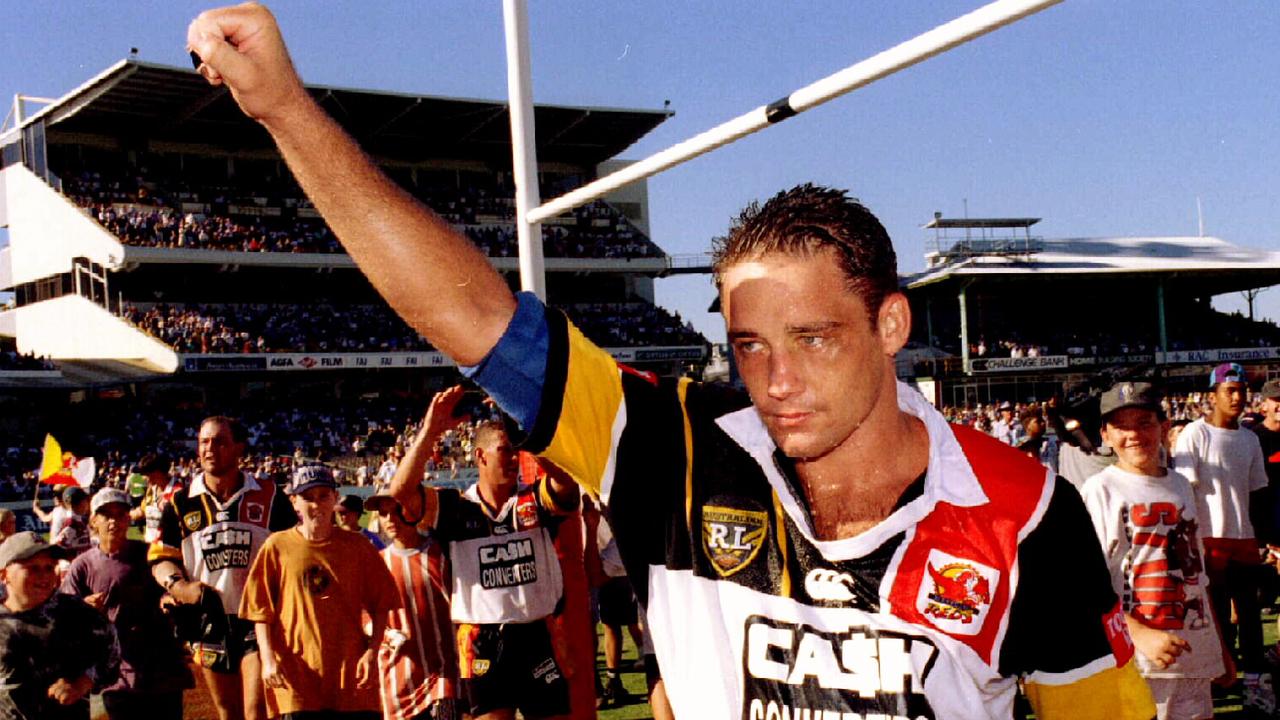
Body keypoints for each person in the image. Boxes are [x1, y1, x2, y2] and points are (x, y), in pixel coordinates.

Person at [186, 8, 1154, 718]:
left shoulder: (1025, 510)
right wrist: (282, 110)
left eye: (812, 337)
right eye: (747, 345)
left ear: (890, 323)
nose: (775, 380)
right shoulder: (671, 443)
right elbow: (467, 314)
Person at [388, 388, 577, 720]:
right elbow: (400, 492)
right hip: (482, 640)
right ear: (480, 456)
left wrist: (527, 437)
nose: (516, 459)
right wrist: (431, 430)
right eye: (506, 451)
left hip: (537, 634)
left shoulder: (532, 500)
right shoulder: (455, 507)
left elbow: (567, 488)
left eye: (517, 451)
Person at [1081, 383, 1225, 720]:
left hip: (1192, 653)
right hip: (1137, 660)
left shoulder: (1180, 486)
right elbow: (1086, 584)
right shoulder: (1100, 490)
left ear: (1164, 427)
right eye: (1121, 426)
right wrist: (1138, 633)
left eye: (1144, 422)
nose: (1134, 434)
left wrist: (1219, 650)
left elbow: (1197, 577)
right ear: (1105, 434)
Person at [148, 416, 297, 720]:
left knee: (256, 710)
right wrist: (178, 586)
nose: (209, 448)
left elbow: (295, 549)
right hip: (208, 619)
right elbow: (161, 558)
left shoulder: (269, 496)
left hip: (259, 618)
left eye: (219, 441)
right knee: (228, 712)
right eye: (204, 441)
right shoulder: (180, 503)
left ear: (239, 448)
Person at [241, 464, 400, 719]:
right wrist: (268, 659)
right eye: (307, 498)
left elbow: (381, 604)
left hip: (350, 679)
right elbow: (260, 611)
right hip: (296, 678)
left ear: (335, 499)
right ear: (294, 502)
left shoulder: (358, 547)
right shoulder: (277, 546)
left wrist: (372, 652)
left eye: (323, 496)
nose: (316, 505)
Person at [1172, 363, 1271, 711]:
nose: (1237, 397)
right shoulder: (1195, 435)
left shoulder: (1250, 438)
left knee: (1251, 620)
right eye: (1229, 390)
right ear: (1212, 396)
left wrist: (1265, 539)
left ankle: (1258, 690)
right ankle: (1218, 686)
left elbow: (1258, 492)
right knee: (1214, 623)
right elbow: (1183, 491)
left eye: (1242, 390)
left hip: (1243, 540)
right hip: (1207, 540)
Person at [60, 488, 194, 720]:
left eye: (120, 514)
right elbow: (64, 616)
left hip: (161, 668)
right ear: (93, 521)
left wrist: (169, 599)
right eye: (106, 515)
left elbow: (172, 588)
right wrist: (84, 608)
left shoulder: (150, 555)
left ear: (128, 519)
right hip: (117, 673)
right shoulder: (82, 566)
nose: (114, 521)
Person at [0, 531, 120, 720]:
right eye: (33, 568)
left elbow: (111, 651)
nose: (44, 576)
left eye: (49, 567)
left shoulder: (74, 612)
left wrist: (83, 683)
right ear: (4, 574)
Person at [365, 490, 459, 720]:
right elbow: (364, 617)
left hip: (441, 678)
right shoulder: (376, 564)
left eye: (397, 511)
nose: (390, 519)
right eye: (384, 514)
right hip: (396, 682)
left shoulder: (441, 556)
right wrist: (388, 636)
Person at [129, 452, 182, 544]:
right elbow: (142, 511)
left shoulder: (178, 492)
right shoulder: (151, 490)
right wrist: (123, 515)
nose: (144, 478)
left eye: (147, 474)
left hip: (169, 549)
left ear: (158, 472)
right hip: (151, 548)